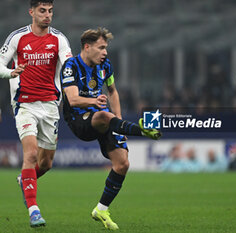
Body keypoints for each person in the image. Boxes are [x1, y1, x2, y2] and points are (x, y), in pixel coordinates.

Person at [60, 27, 161, 230]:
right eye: (101, 47)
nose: (105, 52)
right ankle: (141, 130)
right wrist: (94, 101)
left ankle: (101, 209)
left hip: (104, 117)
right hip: (79, 119)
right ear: (87, 47)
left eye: (106, 47)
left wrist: (119, 120)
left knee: (122, 164)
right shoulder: (71, 66)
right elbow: (71, 99)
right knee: (105, 115)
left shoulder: (105, 65)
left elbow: (113, 91)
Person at [0, 0, 72, 227]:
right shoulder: (17, 37)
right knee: (30, 154)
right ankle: (33, 210)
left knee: (46, 163)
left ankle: (25, 179)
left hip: (50, 106)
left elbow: (69, 67)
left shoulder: (59, 39)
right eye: (42, 11)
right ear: (31, 12)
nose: (47, 15)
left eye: (50, 11)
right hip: (24, 104)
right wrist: (11, 73)